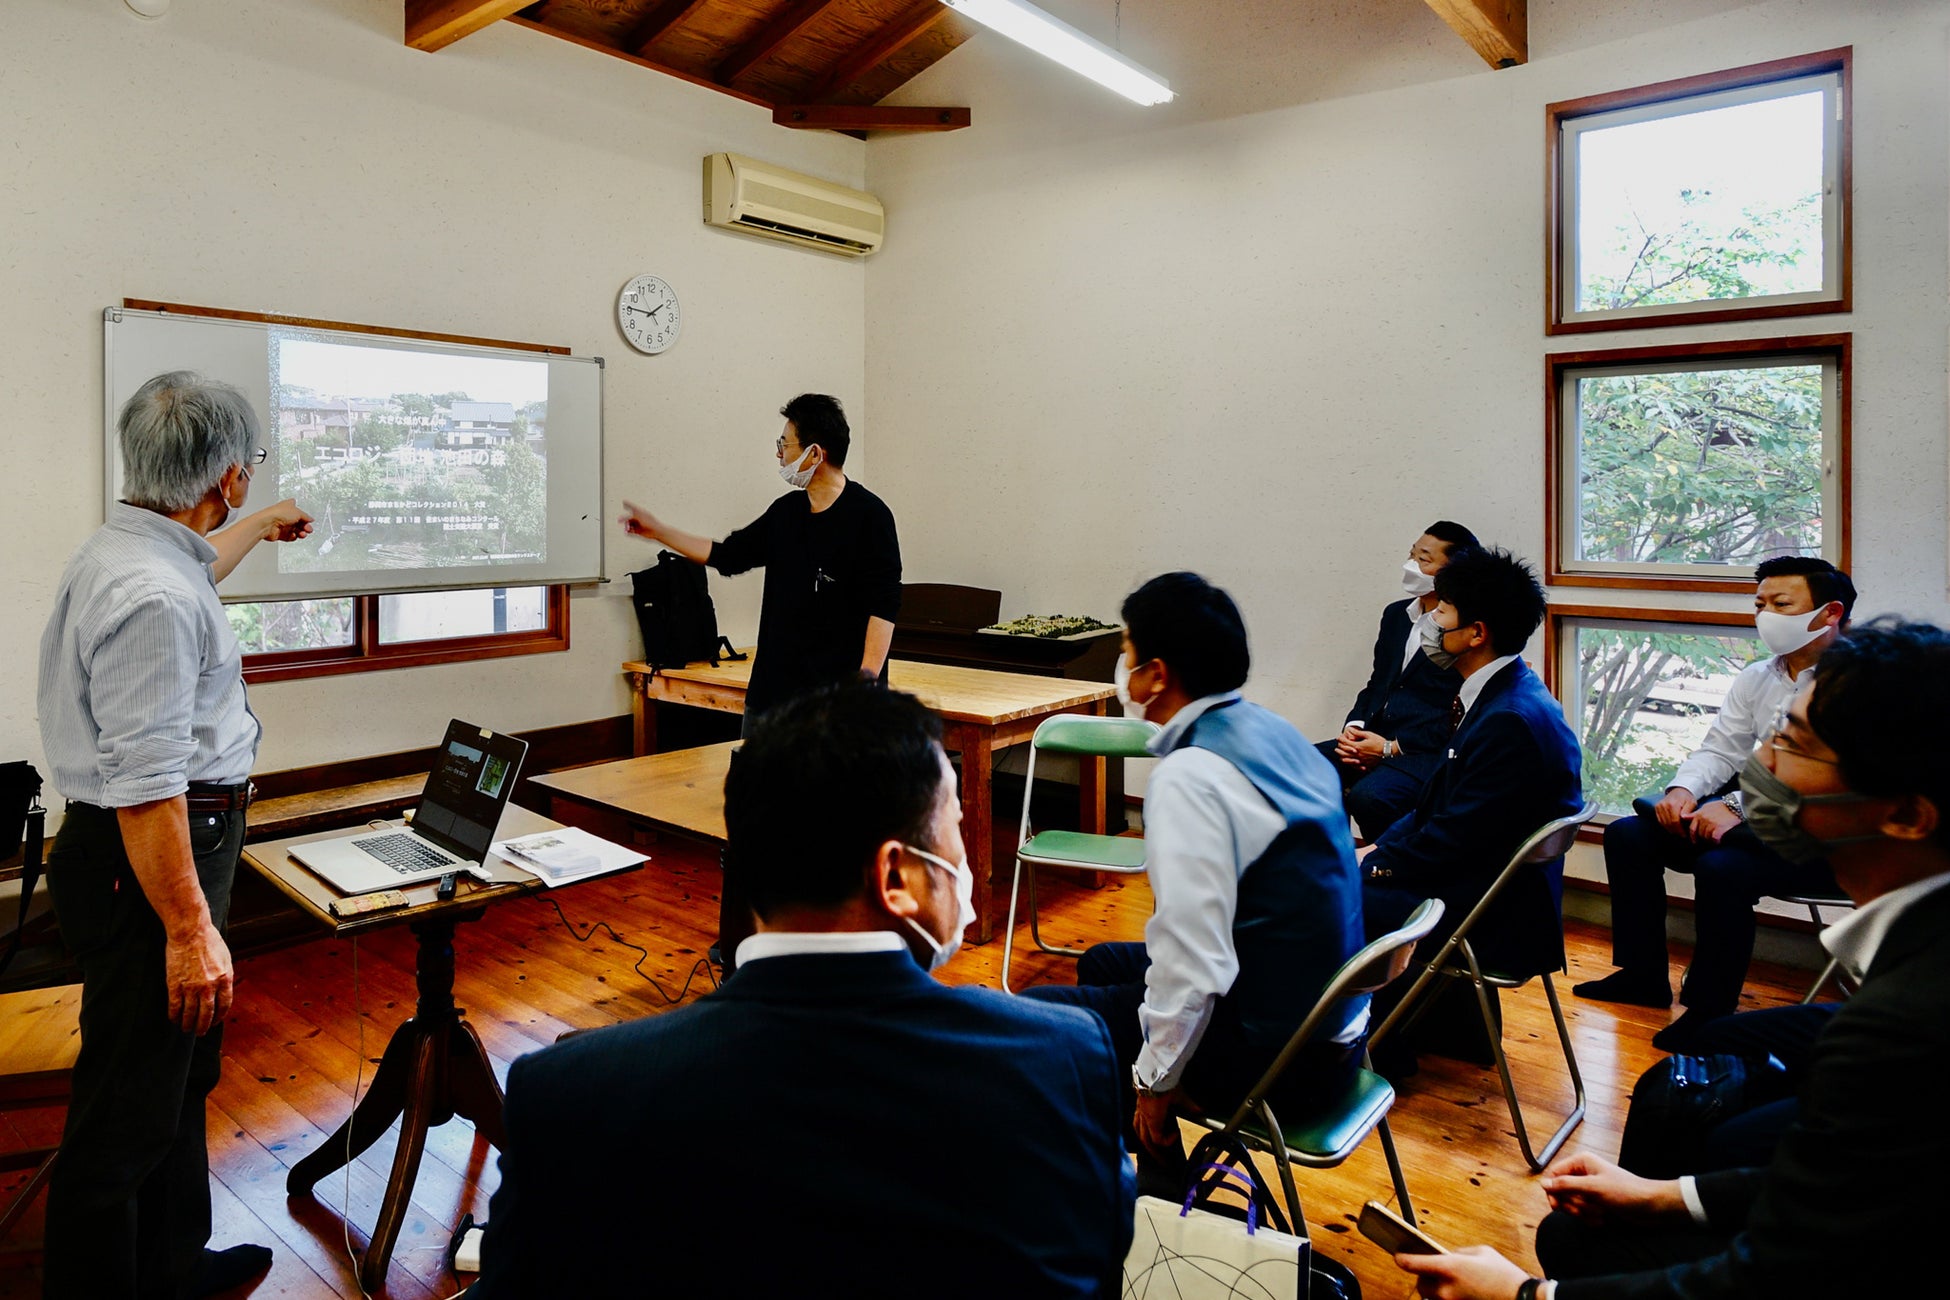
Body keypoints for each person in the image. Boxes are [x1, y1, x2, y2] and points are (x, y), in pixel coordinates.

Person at [471, 681, 1134, 1298]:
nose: (964, 858)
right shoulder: (1063, 1062)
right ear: (896, 876)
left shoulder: (565, 1097)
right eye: (955, 828)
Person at [1392, 619, 1950, 1300]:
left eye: (1794, 743)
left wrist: (1524, 1296)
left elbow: (1783, 1272)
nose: (1764, 766)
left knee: (1574, 1237)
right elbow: (1857, 1174)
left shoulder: (1904, 1021)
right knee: (1698, 1062)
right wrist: (1667, 1197)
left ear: (1908, 815)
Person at [37, 371, 313, 1298]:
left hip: (161, 852)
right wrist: (192, 933)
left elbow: (204, 561)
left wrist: (263, 523)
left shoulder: (133, 552)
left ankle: (171, 1262)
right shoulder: (155, 597)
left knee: (179, 1071)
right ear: (225, 476)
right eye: (249, 481)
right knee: (126, 1103)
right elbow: (148, 787)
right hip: (155, 857)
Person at [1022, 572, 1367, 1194]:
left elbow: (1193, 962)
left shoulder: (1191, 775)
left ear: (1155, 673)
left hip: (1279, 1062)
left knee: (1034, 1025)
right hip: (1331, 1030)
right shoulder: (1271, 731)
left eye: (1125, 652)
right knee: (1101, 962)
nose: (1121, 667)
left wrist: (1154, 1086)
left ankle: (1142, 1201)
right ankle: (1160, 1183)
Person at [1574, 557, 1855, 1051]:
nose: (1765, 613)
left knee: (1725, 868)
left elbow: (1830, 775)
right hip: (1760, 824)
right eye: (1760, 603)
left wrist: (1737, 807)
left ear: (1830, 613)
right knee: (1629, 835)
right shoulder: (1758, 676)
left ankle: (1708, 1010)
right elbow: (1721, 748)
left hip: (1827, 842)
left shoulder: (1861, 681)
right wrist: (1683, 792)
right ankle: (1642, 976)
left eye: (1781, 604)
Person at [1358, 547, 1582, 1069]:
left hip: (1496, 911)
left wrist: (1372, 863)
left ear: (1477, 632)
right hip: (1484, 881)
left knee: (1328, 896)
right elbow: (1442, 806)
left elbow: (1453, 839)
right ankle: (1421, 1032)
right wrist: (1379, 847)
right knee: (1356, 867)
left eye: (1443, 610)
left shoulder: (1508, 717)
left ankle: (1368, 1054)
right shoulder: (1503, 691)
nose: (1432, 620)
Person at [619, 392, 902, 720]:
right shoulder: (786, 513)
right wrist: (659, 531)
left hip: (838, 700)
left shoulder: (871, 516)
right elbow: (728, 556)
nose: (779, 453)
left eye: (786, 443)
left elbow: (884, 604)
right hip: (773, 694)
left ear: (814, 454)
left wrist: (866, 680)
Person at [1323, 521, 1478, 840]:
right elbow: (1378, 684)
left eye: (1424, 559)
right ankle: (1337, 863)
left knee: (1370, 797)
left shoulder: (1463, 630)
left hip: (1422, 750)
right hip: (1377, 734)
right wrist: (1356, 728)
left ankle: (1390, 872)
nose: (1412, 566)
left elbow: (1457, 712)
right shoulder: (1396, 615)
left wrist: (1389, 749)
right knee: (1303, 768)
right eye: (1412, 554)